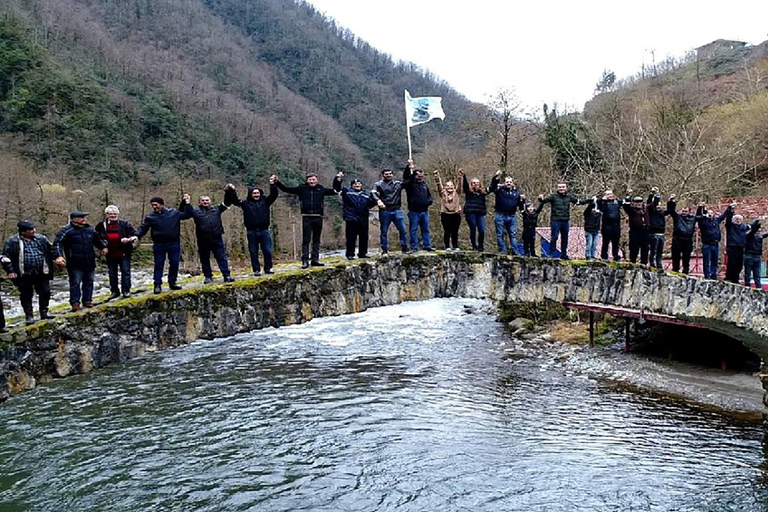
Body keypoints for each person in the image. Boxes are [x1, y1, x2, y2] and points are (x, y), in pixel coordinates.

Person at [275, 172, 338, 268]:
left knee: (316, 240)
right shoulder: (301, 189)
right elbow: (285, 189)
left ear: (317, 180)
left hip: (318, 217)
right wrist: (277, 182)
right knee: (306, 240)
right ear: (307, 180)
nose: (312, 181)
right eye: (310, 179)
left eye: (313, 179)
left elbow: (336, 191)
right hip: (306, 217)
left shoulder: (321, 189)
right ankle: (305, 261)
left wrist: (338, 179)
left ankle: (315, 260)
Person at [134, 194, 194, 294]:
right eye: (152, 205)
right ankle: (157, 285)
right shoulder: (150, 217)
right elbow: (143, 228)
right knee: (159, 264)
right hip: (159, 244)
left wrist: (186, 203)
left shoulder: (173, 213)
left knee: (174, 263)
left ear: (161, 204)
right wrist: (136, 236)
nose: (154, 207)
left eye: (156, 204)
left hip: (174, 242)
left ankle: (172, 282)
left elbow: (188, 214)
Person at [2, 221, 56, 325]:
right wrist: (10, 271)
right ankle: (29, 316)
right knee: (26, 295)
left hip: (41, 271)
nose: (34, 231)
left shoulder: (41, 239)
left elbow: (51, 250)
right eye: (31, 230)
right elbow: (6, 258)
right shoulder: (12, 241)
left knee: (45, 291)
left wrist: (57, 258)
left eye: (34, 229)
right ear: (23, 232)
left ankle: (44, 312)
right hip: (23, 273)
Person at [53, 211, 108, 311]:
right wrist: (58, 256)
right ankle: (75, 303)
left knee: (89, 282)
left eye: (85, 217)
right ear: (74, 219)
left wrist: (103, 247)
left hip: (89, 261)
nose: (84, 219)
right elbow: (57, 244)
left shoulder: (90, 229)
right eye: (82, 217)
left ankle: (87, 301)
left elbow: (97, 241)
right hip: (74, 262)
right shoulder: (66, 231)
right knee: (75, 283)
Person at [224, 177, 279, 276]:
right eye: (254, 193)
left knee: (267, 251)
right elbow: (235, 201)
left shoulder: (265, 202)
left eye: (257, 193)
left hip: (264, 230)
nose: (256, 195)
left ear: (260, 193)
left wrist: (273, 185)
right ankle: (256, 270)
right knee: (253, 252)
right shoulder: (245, 204)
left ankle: (268, 268)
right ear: (250, 194)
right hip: (251, 231)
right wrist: (231, 190)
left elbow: (274, 195)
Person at [185, 194, 234, 284]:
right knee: (204, 259)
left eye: (207, 200)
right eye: (203, 200)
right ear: (199, 202)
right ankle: (208, 277)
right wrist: (187, 202)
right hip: (202, 239)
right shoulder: (195, 211)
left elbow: (227, 202)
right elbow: (187, 213)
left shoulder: (217, 209)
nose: (205, 202)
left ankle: (226, 275)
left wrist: (228, 191)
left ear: (210, 201)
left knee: (221, 257)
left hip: (216, 237)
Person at [95, 205, 137, 299]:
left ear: (118, 214)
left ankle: (126, 291)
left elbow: (134, 235)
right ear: (107, 215)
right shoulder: (101, 225)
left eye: (115, 214)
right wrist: (102, 247)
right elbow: (97, 238)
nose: (113, 216)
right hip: (110, 253)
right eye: (110, 214)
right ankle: (114, 291)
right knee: (112, 273)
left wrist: (128, 239)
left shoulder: (125, 224)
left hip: (124, 252)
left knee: (125, 271)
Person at [333, 172, 377, 259]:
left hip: (363, 218)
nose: (357, 185)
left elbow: (370, 205)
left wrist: (376, 200)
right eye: (355, 184)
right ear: (352, 185)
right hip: (351, 218)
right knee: (351, 237)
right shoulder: (347, 191)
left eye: (359, 184)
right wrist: (338, 179)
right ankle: (350, 254)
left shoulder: (366, 194)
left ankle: (362, 253)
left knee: (364, 237)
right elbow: (337, 188)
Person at [371, 168, 408, 255]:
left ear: (392, 174)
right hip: (385, 210)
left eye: (390, 174)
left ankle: (404, 248)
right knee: (384, 231)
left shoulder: (398, 184)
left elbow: (407, 181)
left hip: (397, 209)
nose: (388, 175)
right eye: (386, 174)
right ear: (383, 175)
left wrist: (408, 167)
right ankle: (384, 250)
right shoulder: (378, 184)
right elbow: (373, 193)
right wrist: (378, 200)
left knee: (402, 230)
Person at [538, 183, 581, 259]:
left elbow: (578, 202)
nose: (561, 188)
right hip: (556, 221)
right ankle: (551, 254)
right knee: (554, 237)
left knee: (565, 238)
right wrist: (540, 199)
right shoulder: (553, 197)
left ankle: (564, 254)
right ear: (557, 188)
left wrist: (591, 201)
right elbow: (544, 201)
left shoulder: (569, 197)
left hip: (565, 221)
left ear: (566, 188)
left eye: (563, 187)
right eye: (560, 187)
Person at [403, 160, 434, 252]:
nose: (420, 177)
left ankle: (427, 245)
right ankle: (414, 247)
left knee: (425, 229)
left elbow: (429, 195)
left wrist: (429, 201)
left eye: (422, 176)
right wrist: (409, 167)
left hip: (424, 211)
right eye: (418, 176)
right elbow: (405, 178)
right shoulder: (410, 185)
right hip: (414, 212)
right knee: (413, 230)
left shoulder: (424, 184)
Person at [489, 170, 523, 254]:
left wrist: (523, 201)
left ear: (512, 183)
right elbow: (492, 187)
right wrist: (496, 177)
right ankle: (502, 251)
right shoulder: (499, 190)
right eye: (507, 182)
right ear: (504, 183)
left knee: (513, 234)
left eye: (510, 182)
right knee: (500, 234)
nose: (509, 183)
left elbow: (520, 205)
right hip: (500, 215)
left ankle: (515, 251)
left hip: (512, 216)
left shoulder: (516, 193)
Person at [695, 202, 730, 280]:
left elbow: (723, 216)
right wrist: (700, 208)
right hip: (707, 244)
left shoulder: (716, 221)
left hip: (715, 243)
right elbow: (698, 216)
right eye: (709, 213)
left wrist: (729, 208)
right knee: (706, 261)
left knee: (714, 261)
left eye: (711, 213)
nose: (710, 214)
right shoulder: (703, 222)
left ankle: (713, 275)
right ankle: (707, 275)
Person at [434, 168, 463, 250]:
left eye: (451, 186)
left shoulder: (457, 193)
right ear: (445, 187)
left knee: (455, 231)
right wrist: (437, 177)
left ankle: (455, 246)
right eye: (448, 186)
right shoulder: (443, 194)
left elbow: (460, 184)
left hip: (456, 214)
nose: (449, 187)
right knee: (447, 231)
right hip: (445, 214)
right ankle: (447, 246)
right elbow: (439, 186)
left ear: (453, 187)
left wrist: (460, 176)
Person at [666, 195, 697, 274]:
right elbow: (671, 211)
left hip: (687, 240)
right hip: (677, 239)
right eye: (683, 211)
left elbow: (702, 215)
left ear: (689, 212)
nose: (684, 213)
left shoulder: (693, 218)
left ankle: (685, 271)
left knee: (686, 257)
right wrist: (671, 201)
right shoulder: (677, 217)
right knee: (675, 256)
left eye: (686, 211)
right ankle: (675, 270)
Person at [462, 173, 489, 251]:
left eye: (477, 183)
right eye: (474, 183)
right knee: (473, 228)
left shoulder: (482, 193)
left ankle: (481, 245)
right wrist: (463, 176)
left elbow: (492, 187)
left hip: (480, 213)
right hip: (470, 212)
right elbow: (465, 185)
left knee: (482, 229)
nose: (476, 184)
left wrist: (496, 178)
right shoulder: (468, 192)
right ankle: (474, 245)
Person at [724, 205, 749, 284]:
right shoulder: (730, 226)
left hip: (740, 248)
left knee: (739, 265)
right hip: (732, 247)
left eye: (739, 219)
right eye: (736, 219)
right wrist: (731, 211)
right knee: (732, 263)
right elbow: (728, 220)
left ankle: (736, 278)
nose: (738, 220)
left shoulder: (743, 227)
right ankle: (729, 277)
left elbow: (752, 229)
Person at [622, 192, 650, 264]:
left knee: (645, 247)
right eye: (637, 202)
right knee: (634, 247)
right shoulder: (631, 210)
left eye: (640, 202)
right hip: (635, 230)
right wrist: (628, 196)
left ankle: (644, 263)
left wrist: (654, 194)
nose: (638, 203)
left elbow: (654, 203)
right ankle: (632, 262)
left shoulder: (646, 209)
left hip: (645, 230)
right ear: (634, 203)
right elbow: (625, 206)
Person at [596, 190, 623, 261]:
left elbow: (625, 202)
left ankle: (616, 255)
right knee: (605, 242)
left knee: (616, 242)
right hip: (606, 226)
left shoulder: (617, 202)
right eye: (608, 194)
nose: (610, 196)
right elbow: (600, 206)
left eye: (611, 194)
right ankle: (604, 256)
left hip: (616, 225)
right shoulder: (602, 202)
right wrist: (603, 200)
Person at [647, 188, 669, 269]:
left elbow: (670, 210)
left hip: (661, 234)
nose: (658, 206)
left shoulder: (662, 213)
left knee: (660, 251)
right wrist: (653, 194)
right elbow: (649, 203)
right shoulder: (651, 211)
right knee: (653, 250)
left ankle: (659, 264)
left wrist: (671, 201)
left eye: (660, 205)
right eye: (657, 205)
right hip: (653, 234)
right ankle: (652, 263)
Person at [744, 219, 768, 288]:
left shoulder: (760, 236)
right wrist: (756, 224)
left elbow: (766, 234)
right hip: (749, 256)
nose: (759, 230)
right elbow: (752, 231)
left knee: (757, 274)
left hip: (757, 256)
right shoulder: (748, 235)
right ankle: (747, 286)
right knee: (748, 273)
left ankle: (758, 286)